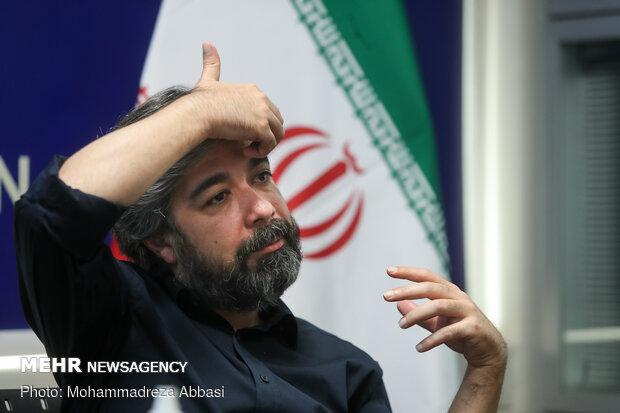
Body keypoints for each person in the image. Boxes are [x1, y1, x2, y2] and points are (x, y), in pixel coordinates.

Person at [15, 43, 507, 412]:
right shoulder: (113, 322)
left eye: (261, 177)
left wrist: (484, 372)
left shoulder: (346, 370)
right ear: (161, 240)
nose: (263, 209)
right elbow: (49, 216)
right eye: (218, 197)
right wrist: (200, 112)